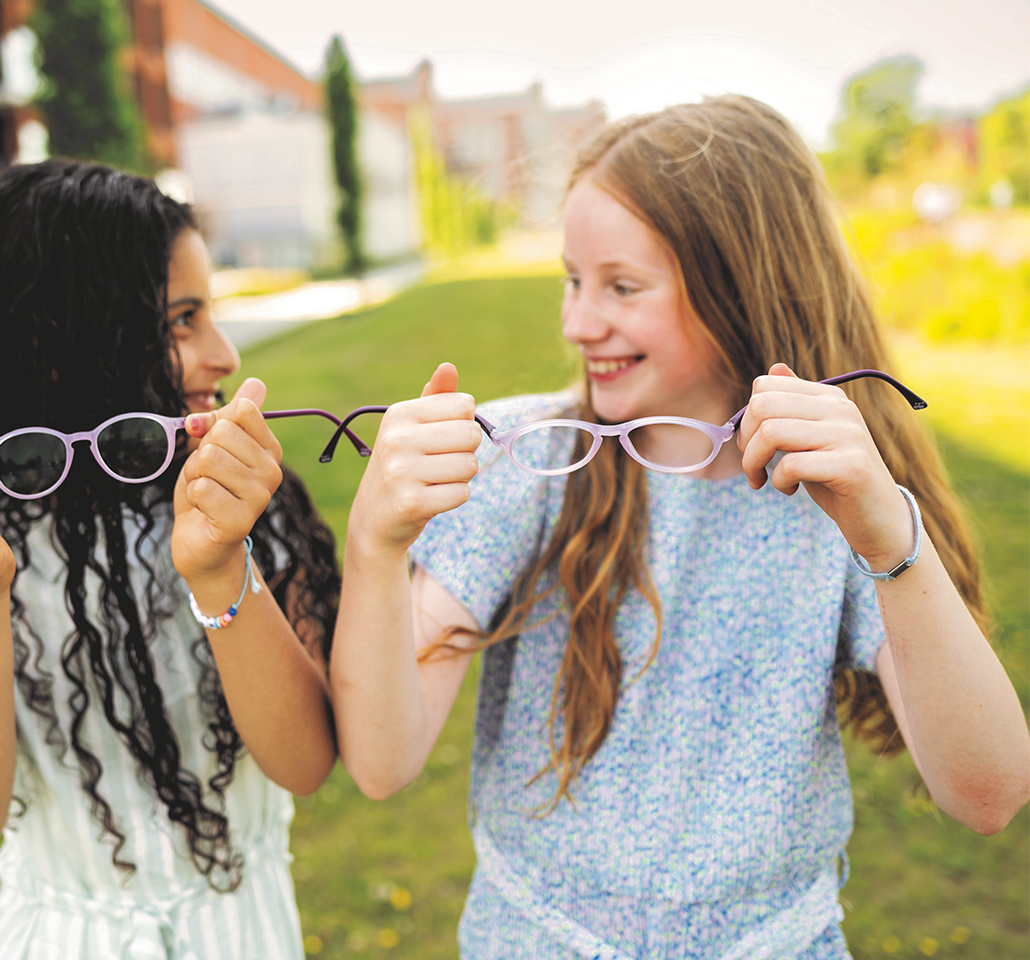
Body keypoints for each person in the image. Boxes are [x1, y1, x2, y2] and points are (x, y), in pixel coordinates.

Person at [329, 95, 1030, 958]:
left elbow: (989, 793)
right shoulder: (525, 464)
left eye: (621, 286)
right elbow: (382, 760)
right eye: (572, 280)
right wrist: (375, 548)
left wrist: (892, 539)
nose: (579, 322)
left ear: (738, 282)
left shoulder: (840, 498)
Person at [0, 159, 342, 958]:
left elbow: (305, 761)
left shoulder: (238, 504)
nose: (224, 354)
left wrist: (219, 567)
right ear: (65, 341)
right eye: (182, 320)